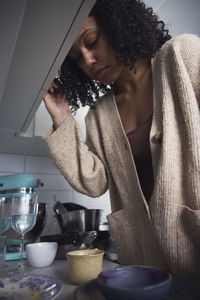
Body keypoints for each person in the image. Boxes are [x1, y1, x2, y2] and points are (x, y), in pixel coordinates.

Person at [43, 0, 200, 280]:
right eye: (76, 58)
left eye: (91, 42)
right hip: (143, 262)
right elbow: (94, 183)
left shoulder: (181, 57)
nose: (88, 61)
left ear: (117, 26)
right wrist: (62, 118)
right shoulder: (98, 115)